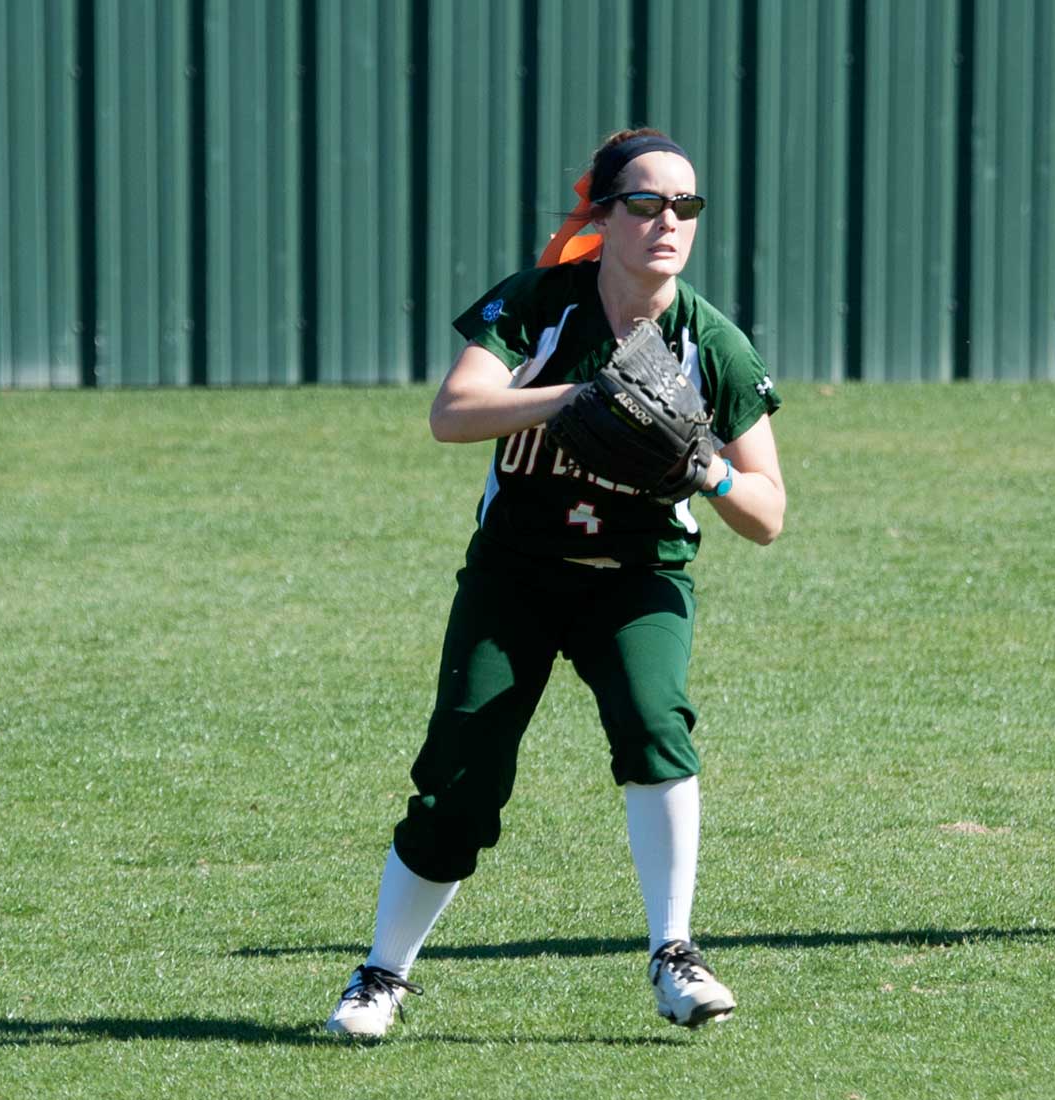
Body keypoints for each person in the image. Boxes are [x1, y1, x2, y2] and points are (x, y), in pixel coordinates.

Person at [325, 128, 786, 1038]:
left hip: (639, 577)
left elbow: (767, 512)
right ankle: (381, 975)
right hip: (517, 576)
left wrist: (708, 470)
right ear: (603, 216)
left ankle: (675, 953)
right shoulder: (539, 305)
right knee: (460, 777)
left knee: (654, 724)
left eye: (686, 206)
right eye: (646, 203)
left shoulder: (711, 342)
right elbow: (453, 413)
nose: (668, 222)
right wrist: (580, 398)